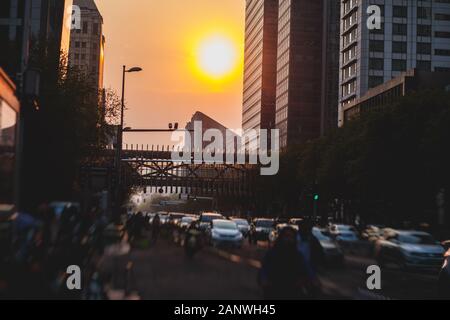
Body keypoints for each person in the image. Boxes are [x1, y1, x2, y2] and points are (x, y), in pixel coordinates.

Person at [259, 227, 314, 299]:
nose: (288, 239)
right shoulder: (272, 254)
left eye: (291, 237)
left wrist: (310, 280)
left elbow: (308, 270)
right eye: (286, 236)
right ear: (281, 237)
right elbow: (264, 269)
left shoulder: (298, 256)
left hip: (293, 290)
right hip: (274, 289)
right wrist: (264, 280)